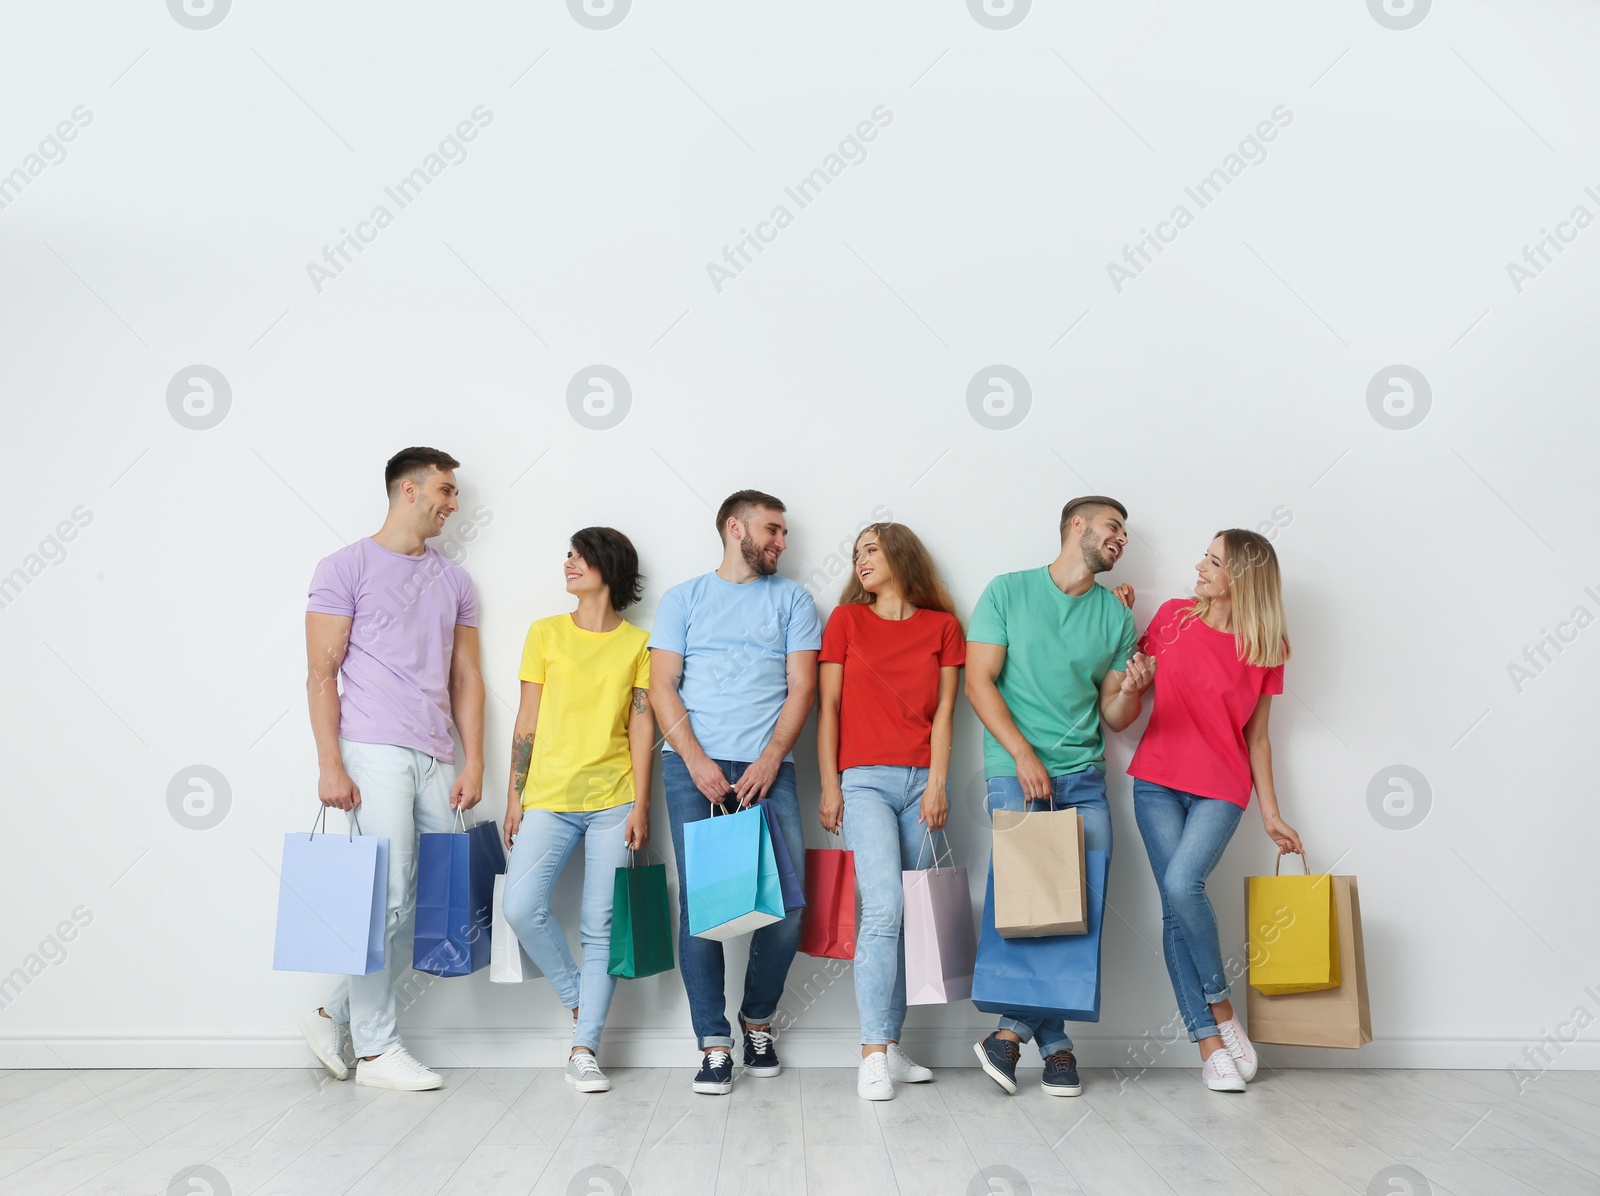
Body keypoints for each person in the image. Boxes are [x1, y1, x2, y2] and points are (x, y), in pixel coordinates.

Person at [298, 447, 485, 1092]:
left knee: (431, 899)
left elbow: (466, 677)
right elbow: (321, 674)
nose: (454, 504)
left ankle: (332, 1012)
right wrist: (331, 765)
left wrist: (475, 758)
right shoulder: (343, 567)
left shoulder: (454, 581)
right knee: (389, 893)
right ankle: (377, 1052)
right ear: (407, 489)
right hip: (371, 749)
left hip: (436, 754)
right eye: (446, 490)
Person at [966, 495, 1153, 1097]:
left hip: (1084, 778)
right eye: (1113, 527)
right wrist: (1023, 755)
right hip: (1016, 774)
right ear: (1078, 526)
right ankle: (1058, 1049)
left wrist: (1134, 690)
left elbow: (1115, 715)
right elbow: (977, 682)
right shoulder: (1007, 591)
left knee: (1075, 913)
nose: (1121, 539)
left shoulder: (1114, 617)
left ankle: (1013, 1036)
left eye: (1125, 532)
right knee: (1030, 911)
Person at [648, 490, 822, 1095]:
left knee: (788, 906)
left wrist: (773, 757)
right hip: (692, 767)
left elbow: (802, 688)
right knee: (705, 907)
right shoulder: (684, 599)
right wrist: (694, 761)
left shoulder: (795, 599)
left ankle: (757, 1019)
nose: (780, 542)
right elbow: (662, 687)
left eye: (783, 533)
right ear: (734, 527)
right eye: (771, 530)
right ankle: (714, 1044)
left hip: (768, 766)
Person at [1121, 529, 1302, 1092]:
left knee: (1182, 885)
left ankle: (1220, 1009)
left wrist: (1271, 813)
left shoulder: (1264, 644)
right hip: (1155, 782)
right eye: (1206, 554)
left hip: (1221, 788)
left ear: (1239, 579)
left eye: (1214, 560)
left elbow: (1260, 738)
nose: (1199, 565)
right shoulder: (1173, 618)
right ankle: (1210, 1043)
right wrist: (1121, 628)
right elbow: (1128, 683)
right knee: (1176, 906)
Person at [499, 528, 653, 1095]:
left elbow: (643, 725)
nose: (568, 563)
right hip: (548, 797)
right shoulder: (543, 634)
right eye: (566, 553)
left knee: (600, 928)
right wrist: (514, 796)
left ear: (607, 567)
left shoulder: (639, 643)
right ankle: (578, 999)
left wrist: (640, 805)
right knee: (519, 907)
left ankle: (584, 1047)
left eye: (579, 555)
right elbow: (526, 722)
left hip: (614, 800)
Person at [817, 523, 965, 1101]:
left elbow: (948, 712)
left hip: (922, 785)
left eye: (871, 549)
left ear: (901, 555)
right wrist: (832, 787)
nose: (860, 561)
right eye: (856, 553)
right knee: (881, 907)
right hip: (865, 783)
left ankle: (894, 1045)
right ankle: (872, 1053)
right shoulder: (846, 622)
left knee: (910, 912)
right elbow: (827, 708)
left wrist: (939, 784)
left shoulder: (944, 628)